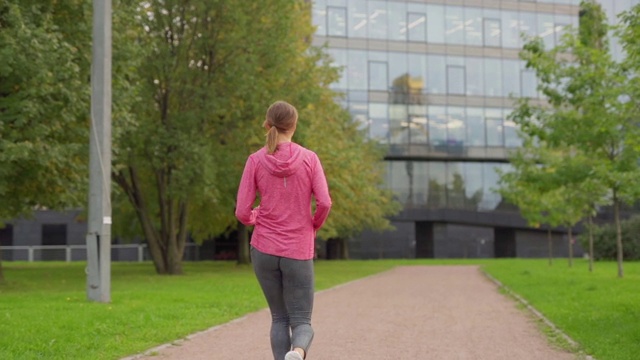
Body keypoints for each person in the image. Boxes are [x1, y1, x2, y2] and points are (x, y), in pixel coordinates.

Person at [235, 100, 332, 360]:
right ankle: (298, 353)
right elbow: (324, 202)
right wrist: (313, 225)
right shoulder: (310, 159)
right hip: (298, 248)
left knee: (278, 318)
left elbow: (242, 213)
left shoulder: (255, 160)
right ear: (294, 125)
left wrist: (258, 215)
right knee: (301, 321)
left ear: (267, 125)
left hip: (264, 248)